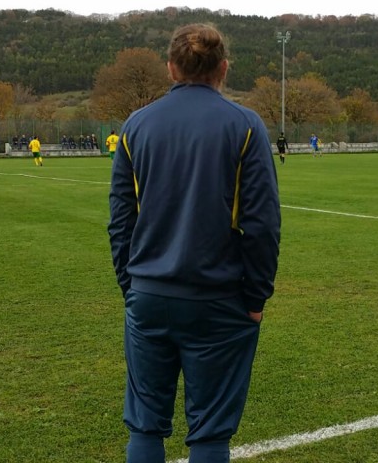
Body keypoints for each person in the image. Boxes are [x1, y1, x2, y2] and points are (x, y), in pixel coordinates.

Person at [108, 23, 281, 463]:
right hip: (218, 301)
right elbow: (262, 224)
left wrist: (132, 286)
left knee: (145, 426)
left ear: (170, 68)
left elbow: (121, 220)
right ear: (223, 68)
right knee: (208, 435)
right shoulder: (245, 125)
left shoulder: (135, 126)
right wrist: (257, 295)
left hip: (148, 296)